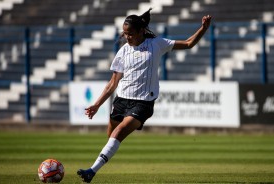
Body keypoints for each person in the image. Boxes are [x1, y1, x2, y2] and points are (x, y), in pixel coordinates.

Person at [77, 8, 212, 183]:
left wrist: (203, 28)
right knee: (111, 137)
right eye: (125, 34)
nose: (127, 37)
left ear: (141, 31)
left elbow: (188, 43)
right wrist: (96, 105)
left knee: (117, 133)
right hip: (121, 100)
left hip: (143, 103)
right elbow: (112, 83)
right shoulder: (123, 51)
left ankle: (91, 171)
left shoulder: (157, 44)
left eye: (130, 34)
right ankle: (100, 162)